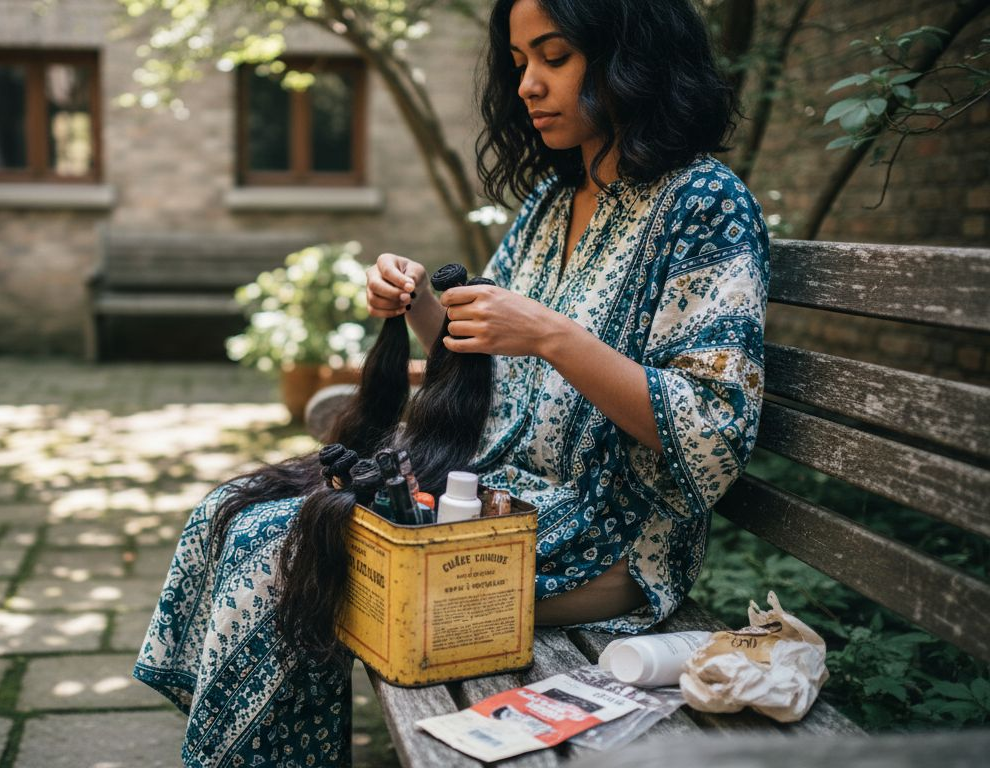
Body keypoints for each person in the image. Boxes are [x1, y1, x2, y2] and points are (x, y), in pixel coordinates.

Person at [134, 0, 768, 764]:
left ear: (629, 55)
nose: (528, 84)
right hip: (492, 496)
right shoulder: (552, 203)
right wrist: (418, 305)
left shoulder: (704, 204)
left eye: (554, 57)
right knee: (232, 511)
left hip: (609, 539)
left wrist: (553, 336)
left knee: (283, 550)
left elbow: (713, 433)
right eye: (519, 62)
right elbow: (484, 354)